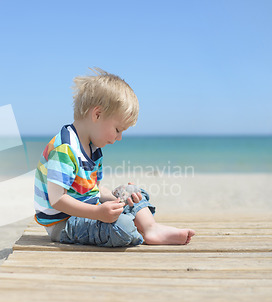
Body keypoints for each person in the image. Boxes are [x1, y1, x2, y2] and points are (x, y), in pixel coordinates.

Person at [33, 68, 195, 247]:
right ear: (97, 114)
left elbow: (94, 189)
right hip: (64, 223)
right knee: (123, 227)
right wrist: (98, 213)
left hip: (89, 211)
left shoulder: (93, 148)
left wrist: (116, 199)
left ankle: (151, 228)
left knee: (133, 192)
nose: (119, 138)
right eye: (118, 130)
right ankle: (134, 226)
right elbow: (57, 200)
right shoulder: (65, 149)